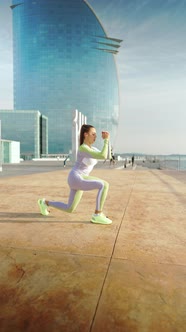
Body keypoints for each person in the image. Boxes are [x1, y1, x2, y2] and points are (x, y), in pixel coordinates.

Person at [38, 124, 112, 225]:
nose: (96, 136)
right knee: (104, 185)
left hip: (77, 179)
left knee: (70, 208)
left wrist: (108, 140)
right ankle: (97, 215)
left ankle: (45, 203)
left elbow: (107, 156)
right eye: (93, 134)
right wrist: (106, 141)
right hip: (77, 177)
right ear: (86, 134)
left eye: (96, 134)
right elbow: (103, 156)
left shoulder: (92, 149)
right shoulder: (83, 148)